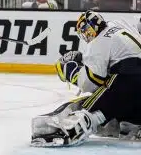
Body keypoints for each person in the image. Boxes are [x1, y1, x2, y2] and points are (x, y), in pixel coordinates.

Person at [31, 10, 141, 147]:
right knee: (126, 103)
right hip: (135, 85)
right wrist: (83, 59)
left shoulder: (99, 40)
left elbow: (91, 82)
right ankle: (132, 125)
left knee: (89, 109)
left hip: (129, 79)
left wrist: (70, 70)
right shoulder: (118, 24)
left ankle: (72, 128)